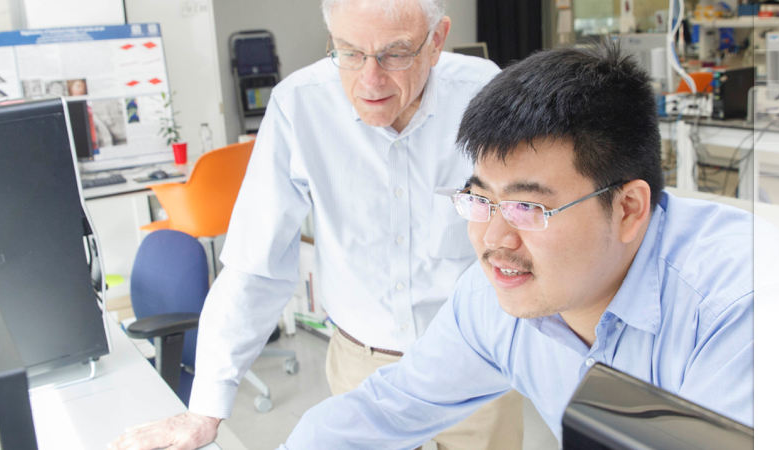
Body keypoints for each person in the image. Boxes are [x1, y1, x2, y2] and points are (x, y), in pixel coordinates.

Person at [277, 42, 771, 449]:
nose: (494, 241)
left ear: (628, 210)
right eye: (480, 199)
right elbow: (390, 408)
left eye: (527, 208)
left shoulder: (739, 312)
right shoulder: (495, 294)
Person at [109, 1, 523, 449]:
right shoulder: (299, 105)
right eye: (349, 52)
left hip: (476, 364)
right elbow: (256, 263)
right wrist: (205, 408)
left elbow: (530, 227)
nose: (370, 79)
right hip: (363, 366)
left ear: (437, 40)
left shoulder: (485, 92)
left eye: (395, 54)